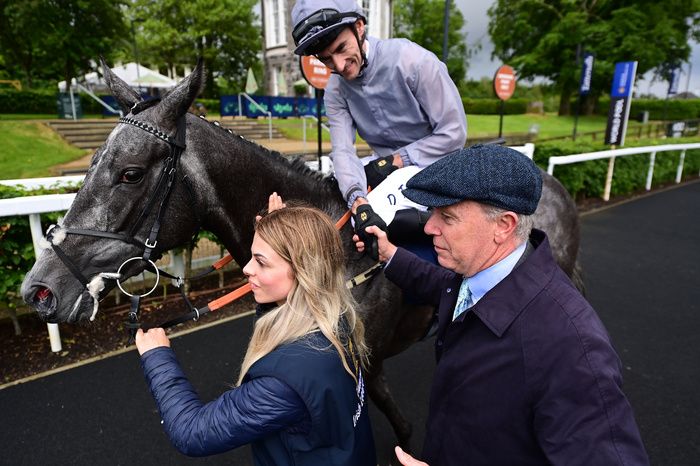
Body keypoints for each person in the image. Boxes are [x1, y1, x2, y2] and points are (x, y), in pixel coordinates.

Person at [355, 144, 649, 465]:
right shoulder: (484, 274)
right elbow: (444, 288)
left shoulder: (571, 348)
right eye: (432, 213)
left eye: (447, 217)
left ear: (504, 225)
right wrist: (390, 255)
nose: (428, 227)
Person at [135, 196, 376, 465]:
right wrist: (282, 232)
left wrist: (158, 358)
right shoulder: (337, 314)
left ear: (304, 271)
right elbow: (284, 311)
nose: (247, 268)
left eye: (261, 262)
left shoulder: (282, 383)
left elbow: (192, 432)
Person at [291, 0, 467, 254]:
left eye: (342, 48)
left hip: (440, 164)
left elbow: (454, 133)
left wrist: (395, 161)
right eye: (326, 59)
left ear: (359, 27)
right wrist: (358, 202)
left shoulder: (412, 60)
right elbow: (342, 151)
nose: (339, 66)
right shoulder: (335, 91)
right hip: (386, 174)